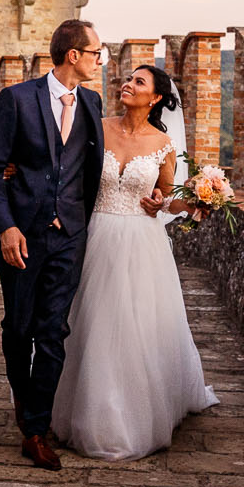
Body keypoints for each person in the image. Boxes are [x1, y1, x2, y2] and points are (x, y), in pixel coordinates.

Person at [48, 64, 219, 461]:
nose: (127, 84)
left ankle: (123, 419)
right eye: (127, 78)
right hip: (94, 236)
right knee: (89, 321)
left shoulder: (163, 144)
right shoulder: (97, 126)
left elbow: (168, 198)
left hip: (141, 242)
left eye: (139, 82)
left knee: (133, 327)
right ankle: (75, 408)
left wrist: (180, 201)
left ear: (156, 97)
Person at [0, 19, 105, 471]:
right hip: (22, 236)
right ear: (73, 54)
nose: (99, 60)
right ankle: (25, 403)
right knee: (18, 329)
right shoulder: (16, 99)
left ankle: (35, 428)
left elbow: (91, 169)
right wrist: (7, 226)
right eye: (95, 53)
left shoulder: (92, 102)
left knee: (53, 332)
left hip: (69, 235)